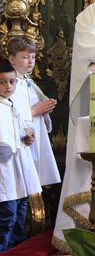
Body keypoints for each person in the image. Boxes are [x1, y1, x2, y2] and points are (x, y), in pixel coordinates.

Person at [7, 36, 60, 187]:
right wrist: (33, 111)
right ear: (12, 59)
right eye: (25, 57)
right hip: (24, 138)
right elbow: (8, 114)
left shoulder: (28, 82)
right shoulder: (9, 84)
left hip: (36, 133)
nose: (31, 61)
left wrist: (45, 108)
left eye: (33, 57)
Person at [0, 64, 41, 252]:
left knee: (20, 208)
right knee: (7, 213)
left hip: (18, 167)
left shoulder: (10, 104)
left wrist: (26, 134)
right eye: (3, 82)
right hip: (5, 166)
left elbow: (16, 128)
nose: (8, 86)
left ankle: (16, 247)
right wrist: (20, 136)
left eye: (12, 82)